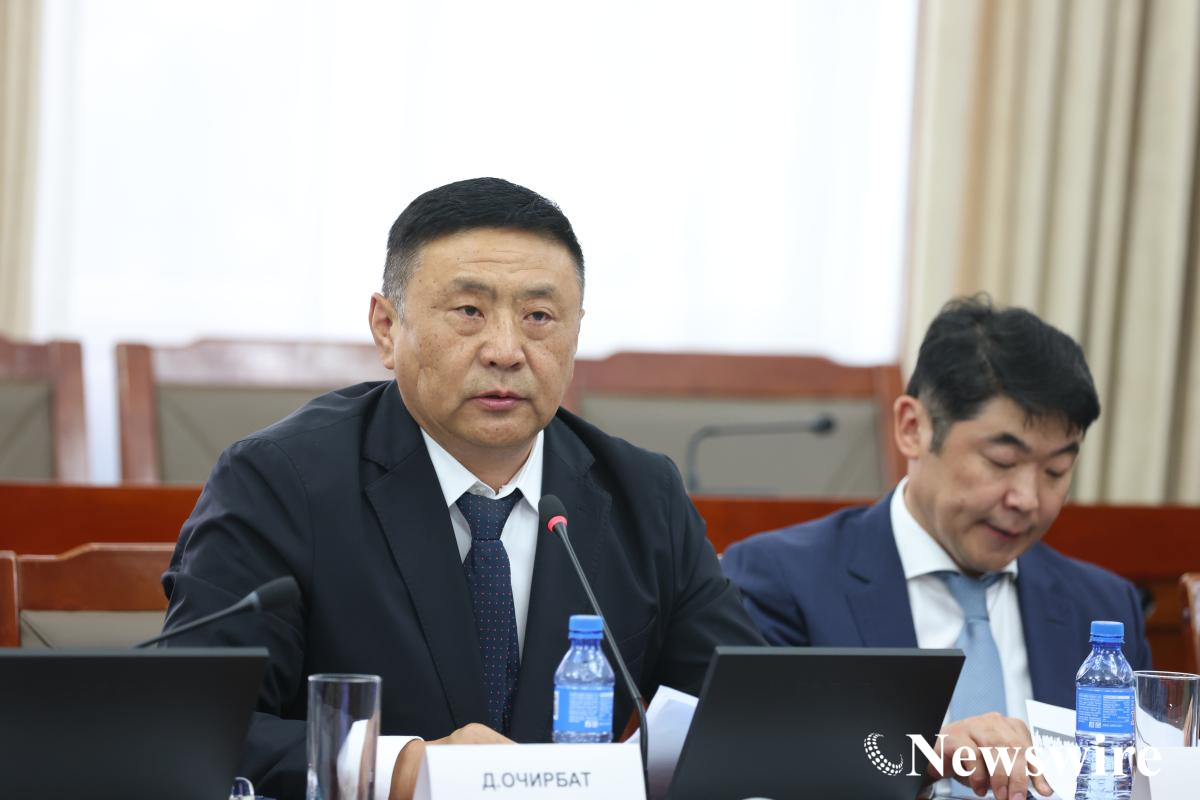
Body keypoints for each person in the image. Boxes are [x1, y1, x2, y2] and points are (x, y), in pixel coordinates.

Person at [160, 177, 764, 800]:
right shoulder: (281, 481)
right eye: (469, 312)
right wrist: (399, 769)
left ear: (575, 333)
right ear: (386, 328)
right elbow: (187, 728)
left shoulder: (642, 495)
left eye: (538, 317)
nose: (505, 351)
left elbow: (750, 722)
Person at [722, 296, 1150, 800]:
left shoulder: (1102, 607)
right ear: (913, 429)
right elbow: (757, 763)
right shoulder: (786, 579)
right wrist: (923, 756)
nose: (1028, 499)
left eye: (1056, 471)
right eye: (1002, 461)